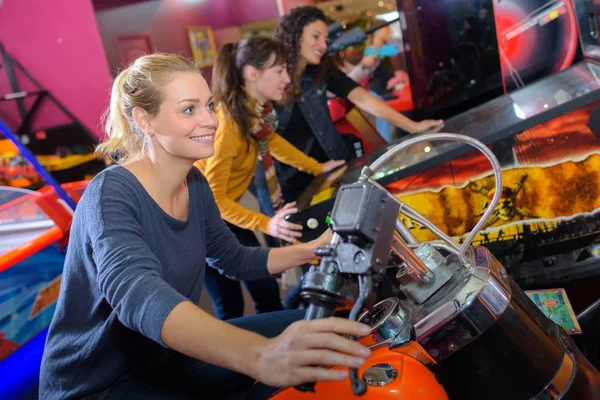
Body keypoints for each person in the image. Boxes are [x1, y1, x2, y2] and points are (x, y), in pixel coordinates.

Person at [38, 53, 372, 400]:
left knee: (315, 333)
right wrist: (257, 356)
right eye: (188, 109)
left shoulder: (194, 183)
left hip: (160, 355)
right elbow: (137, 293)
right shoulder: (110, 193)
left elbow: (233, 259)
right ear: (145, 120)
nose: (210, 121)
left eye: (209, 106)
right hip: (98, 384)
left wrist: (313, 249)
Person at [195, 37, 344, 320]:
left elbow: (272, 142)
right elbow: (214, 201)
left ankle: (278, 343)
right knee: (230, 304)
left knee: (264, 291)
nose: (286, 78)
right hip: (199, 221)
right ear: (252, 74)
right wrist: (268, 224)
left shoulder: (253, 116)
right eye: (279, 71)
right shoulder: (228, 125)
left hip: (222, 216)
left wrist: (316, 167)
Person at [273, 6, 444, 203]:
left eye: (326, 39)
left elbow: (364, 99)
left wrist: (414, 127)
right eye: (315, 36)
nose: (322, 44)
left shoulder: (321, 71)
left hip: (336, 171)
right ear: (296, 35)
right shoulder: (273, 82)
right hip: (298, 185)